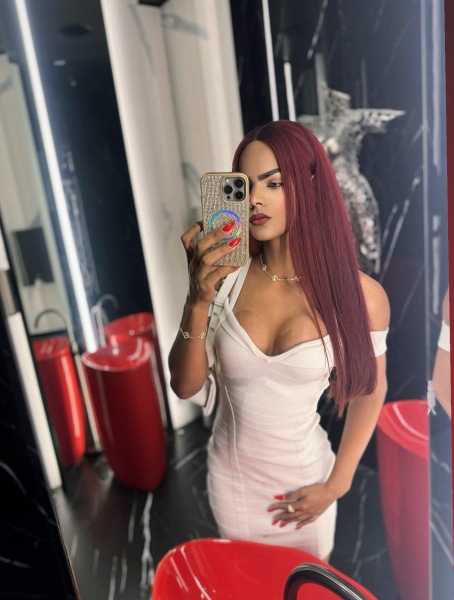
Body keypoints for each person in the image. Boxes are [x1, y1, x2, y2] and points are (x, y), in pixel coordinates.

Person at [168, 120, 390, 562]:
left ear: (310, 186)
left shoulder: (361, 297)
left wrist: (337, 483)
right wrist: (197, 299)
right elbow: (185, 386)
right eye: (245, 185)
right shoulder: (225, 279)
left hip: (306, 483)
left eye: (274, 183)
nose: (254, 199)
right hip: (233, 483)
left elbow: (372, 390)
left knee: (302, 587)